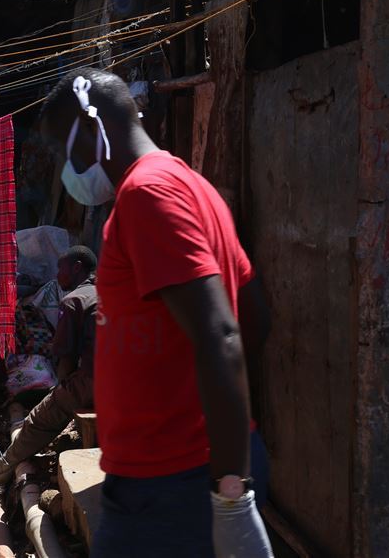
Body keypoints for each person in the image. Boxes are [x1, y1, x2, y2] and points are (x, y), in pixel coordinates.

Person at [38, 68, 272, 557]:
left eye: (65, 148)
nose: (66, 166)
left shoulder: (147, 195)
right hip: (171, 476)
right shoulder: (195, 187)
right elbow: (253, 314)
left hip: (172, 484)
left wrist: (229, 493)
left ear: (93, 125)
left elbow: (223, 335)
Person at [0, 246, 98, 485]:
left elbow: (65, 357)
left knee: (39, 420)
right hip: (131, 378)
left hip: (97, 380)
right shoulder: (112, 293)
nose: (57, 275)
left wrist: (57, 393)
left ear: (77, 267)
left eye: (61, 268)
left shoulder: (74, 300)